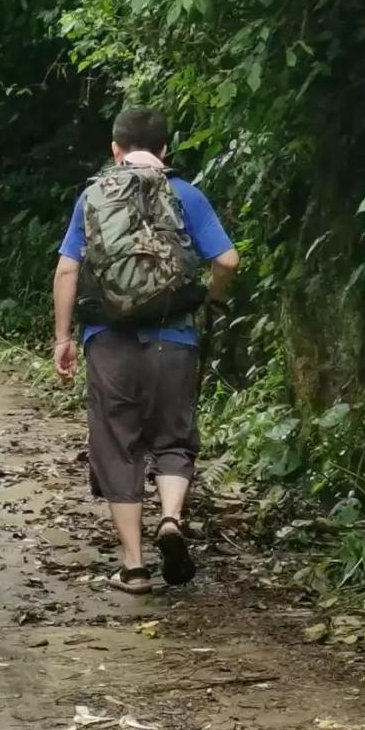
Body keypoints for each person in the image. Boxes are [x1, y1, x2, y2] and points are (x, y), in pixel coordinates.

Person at [52, 107, 239, 594]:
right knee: (174, 438)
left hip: (109, 341)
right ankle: (171, 521)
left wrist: (63, 337)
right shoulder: (186, 193)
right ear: (164, 150)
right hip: (173, 337)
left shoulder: (93, 195)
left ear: (114, 150)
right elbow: (227, 258)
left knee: (118, 446)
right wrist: (213, 296)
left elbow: (68, 270)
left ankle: (133, 568)